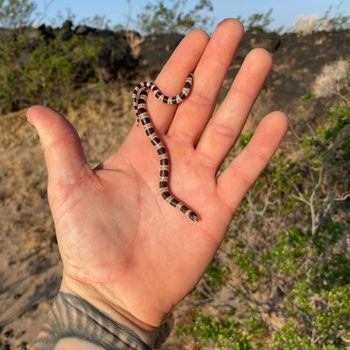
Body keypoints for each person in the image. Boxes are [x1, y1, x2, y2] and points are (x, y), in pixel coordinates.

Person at [28, 18, 288, 350]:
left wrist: (102, 310)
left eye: (189, 213)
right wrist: (102, 303)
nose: (191, 215)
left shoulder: (168, 188)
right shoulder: (166, 188)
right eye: (189, 214)